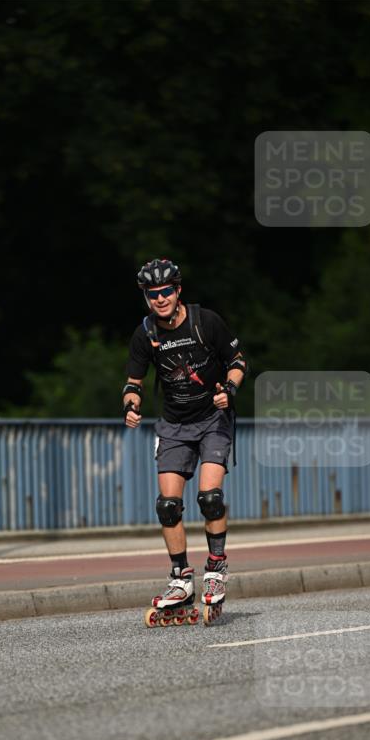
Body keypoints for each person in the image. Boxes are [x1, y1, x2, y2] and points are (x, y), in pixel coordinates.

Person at [122, 258, 247, 615]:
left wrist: (230, 390)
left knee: (209, 497)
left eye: (165, 292)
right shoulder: (145, 333)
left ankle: (216, 567)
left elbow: (238, 361)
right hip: (174, 425)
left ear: (177, 291)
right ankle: (180, 578)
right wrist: (131, 405)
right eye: (152, 294)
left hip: (212, 420)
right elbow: (133, 383)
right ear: (146, 298)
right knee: (168, 506)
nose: (160, 299)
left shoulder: (205, 322)